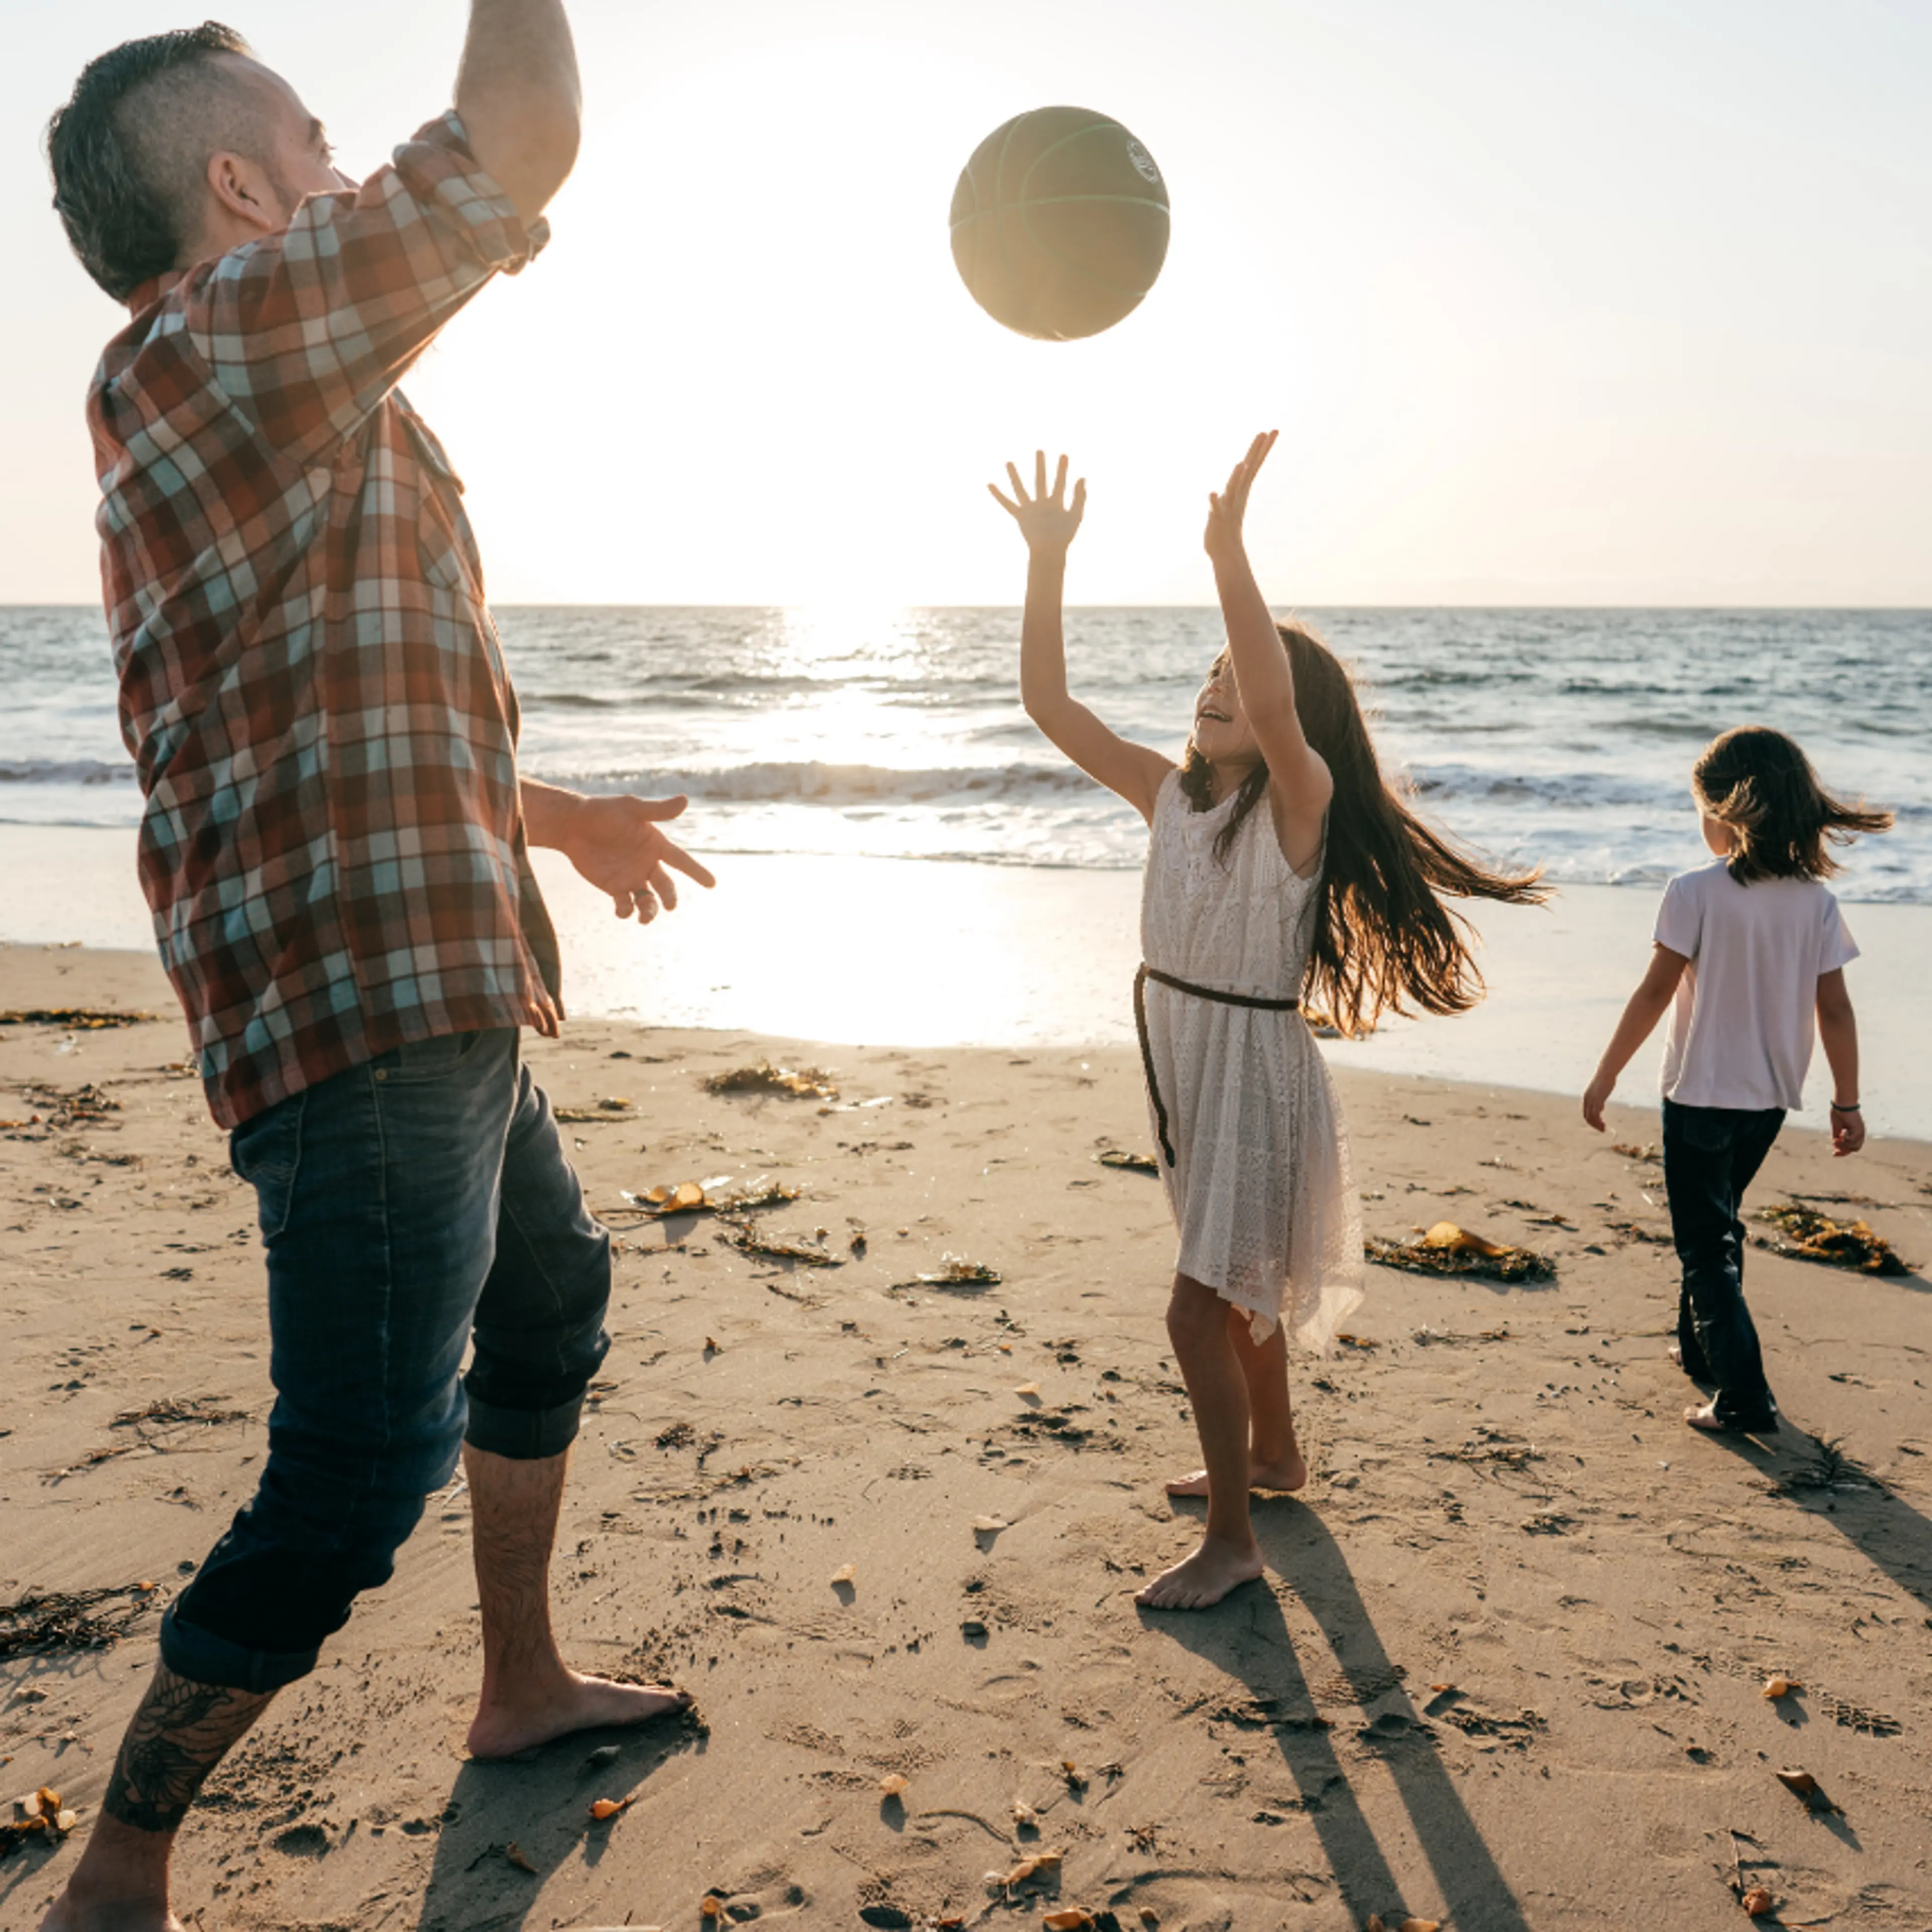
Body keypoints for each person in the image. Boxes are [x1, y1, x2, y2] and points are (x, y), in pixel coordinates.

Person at [42, 10, 712, 1926]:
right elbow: (519, 131)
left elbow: (360, 724)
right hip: (367, 1021)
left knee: (551, 1299)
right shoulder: (211, 347)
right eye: (315, 138)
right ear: (240, 191)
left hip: (446, 988)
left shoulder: (275, 388)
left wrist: (556, 812)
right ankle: (118, 1874)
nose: (349, 164)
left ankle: (515, 1685)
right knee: (351, 1475)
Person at [990, 433, 1545, 1610]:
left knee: (1200, 1306)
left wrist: (1227, 555)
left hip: (1252, 1064)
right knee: (1238, 1288)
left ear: (1289, 718)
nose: (1216, 689)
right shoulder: (1165, 796)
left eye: (1237, 681)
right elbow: (1047, 701)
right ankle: (1278, 1455)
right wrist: (1048, 562)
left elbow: (1279, 694)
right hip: (1183, 1064)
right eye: (1208, 674)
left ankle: (1236, 1540)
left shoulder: (1301, 805)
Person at [1582, 726, 1892, 1436]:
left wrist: (1605, 1075)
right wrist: (1847, 1101)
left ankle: (1746, 1398)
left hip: (1698, 1094)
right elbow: (1836, 1009)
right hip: (1770, 1100)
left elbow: (1655, 992)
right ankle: (1705, 1349)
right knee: (1718, 1225)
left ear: (1726, 813)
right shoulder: (1813, 901)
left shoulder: (1694, 892)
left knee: (1704, 1243)